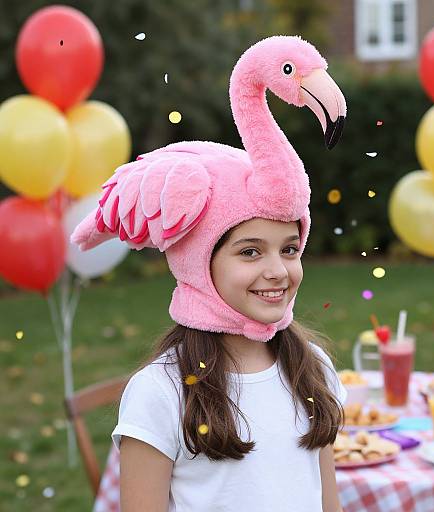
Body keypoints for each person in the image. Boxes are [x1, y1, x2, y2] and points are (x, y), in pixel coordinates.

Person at [71, 35, 347, 512]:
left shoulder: (314, 371)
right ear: (199, 264)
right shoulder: (161, 394)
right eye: (249, 252)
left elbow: (327, 503)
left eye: (290, 248)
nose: (277, 270)